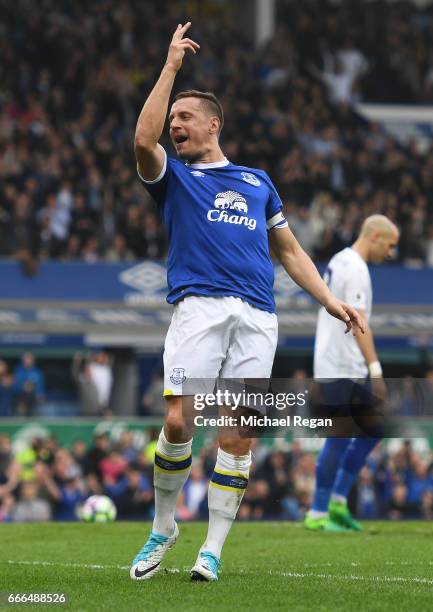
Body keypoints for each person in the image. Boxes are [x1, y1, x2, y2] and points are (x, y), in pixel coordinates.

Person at [130, 22, 364, 582]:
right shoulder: (174, 179)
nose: (174, 126)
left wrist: (329, 299)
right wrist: (169, 70)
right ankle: (164, 526)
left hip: (258, 317)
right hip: (200, 308)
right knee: (180, 419)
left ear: (213, 124)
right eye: (172, 121)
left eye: (183, 118)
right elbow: (142, 143)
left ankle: (211, 549)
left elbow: (289, 249)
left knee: (237, 434)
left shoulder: (258, 182)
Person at [305, 215, 399, 532]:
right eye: (390, 244)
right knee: (341, 433)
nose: (391, 253)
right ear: (374, 236)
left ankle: (337, 502)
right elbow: (359, 324)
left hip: (338, 362)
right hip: (342, 363)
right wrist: (376, 369)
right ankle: (318, 512)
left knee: (374, 429)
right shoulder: (356, 269)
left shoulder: (342, 260)